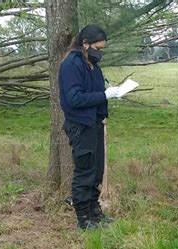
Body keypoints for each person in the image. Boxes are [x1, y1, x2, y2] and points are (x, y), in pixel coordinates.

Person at [59, 25, 120, 230]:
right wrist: (104, 95)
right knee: (84, 172)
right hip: (80, 125)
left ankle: (95, 212)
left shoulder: (92, 64)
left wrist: (112, 92)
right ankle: (83, 219)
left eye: (102, 49)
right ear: (85, 44)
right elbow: (74, 98)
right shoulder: (71, 64)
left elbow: (95, 91)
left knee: (95, 172)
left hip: (94, 123)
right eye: (98, 48)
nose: (100, 52)